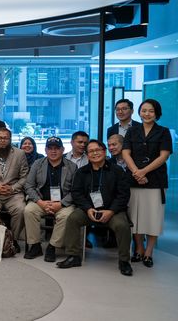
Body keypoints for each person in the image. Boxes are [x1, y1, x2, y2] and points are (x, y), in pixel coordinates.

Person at [58, 140, 133, 276]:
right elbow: (77, 193)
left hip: (112, 211)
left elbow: (123, 194)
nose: (95, 153)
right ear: (87, 155)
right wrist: (88, 209)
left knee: (122, 225)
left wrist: (111, 211)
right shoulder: (82, 172)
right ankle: (73, 256)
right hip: (89, 210)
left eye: (98, 150)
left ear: (104, 152)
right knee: (73, 219)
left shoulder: (117, 170)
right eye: (91, 151)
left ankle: (124, 261)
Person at [122, 99, 172, 268]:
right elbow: (126, 153)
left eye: (151, 111)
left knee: (153, 217)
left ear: (156, 113)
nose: (147, 114)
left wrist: (143, 172)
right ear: (139, 112)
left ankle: (149, 252)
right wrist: (136, 172)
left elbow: (164, 156)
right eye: (144, 110)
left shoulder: (163, 132)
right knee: (135, 216)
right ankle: (139, 249)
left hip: (155, 180)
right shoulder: (132, 131)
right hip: (134, 180)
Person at [23, 137, 77, 262]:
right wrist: (40, 202)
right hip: (41, 201)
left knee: (66, 216)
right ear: (46, 150)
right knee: (29, 211)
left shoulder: (72, 167)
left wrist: (61, 204)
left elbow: (75, 191)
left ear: (63, 150)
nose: (53, 151)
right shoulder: (38, 164)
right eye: (50, 148)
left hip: (63, 203)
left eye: (57, 148)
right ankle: (35, 246)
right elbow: (28, 186)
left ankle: (52, 247)